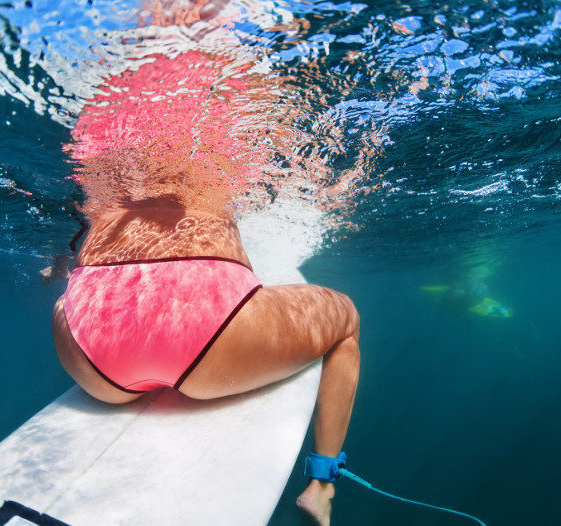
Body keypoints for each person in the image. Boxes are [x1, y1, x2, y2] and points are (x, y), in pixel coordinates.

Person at [45, 3, 361, 524]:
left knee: (70, 274)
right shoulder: (231, 85)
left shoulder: (96, 112)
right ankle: (322, 484)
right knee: (345, 318)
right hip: (208, 329)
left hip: (86, 339)